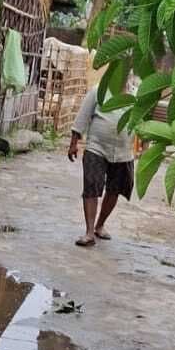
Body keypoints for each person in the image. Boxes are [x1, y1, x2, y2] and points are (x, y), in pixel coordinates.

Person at [67, 87, 134, 247]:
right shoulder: (99, 90)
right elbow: (83, 116)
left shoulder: (136, 94)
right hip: (96, 147)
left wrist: (144, 147)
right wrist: (73, 143)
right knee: (91, 185)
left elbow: (142, 120)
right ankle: (89, 232)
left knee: (115, 190)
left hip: (123, 152)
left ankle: (100, 225)